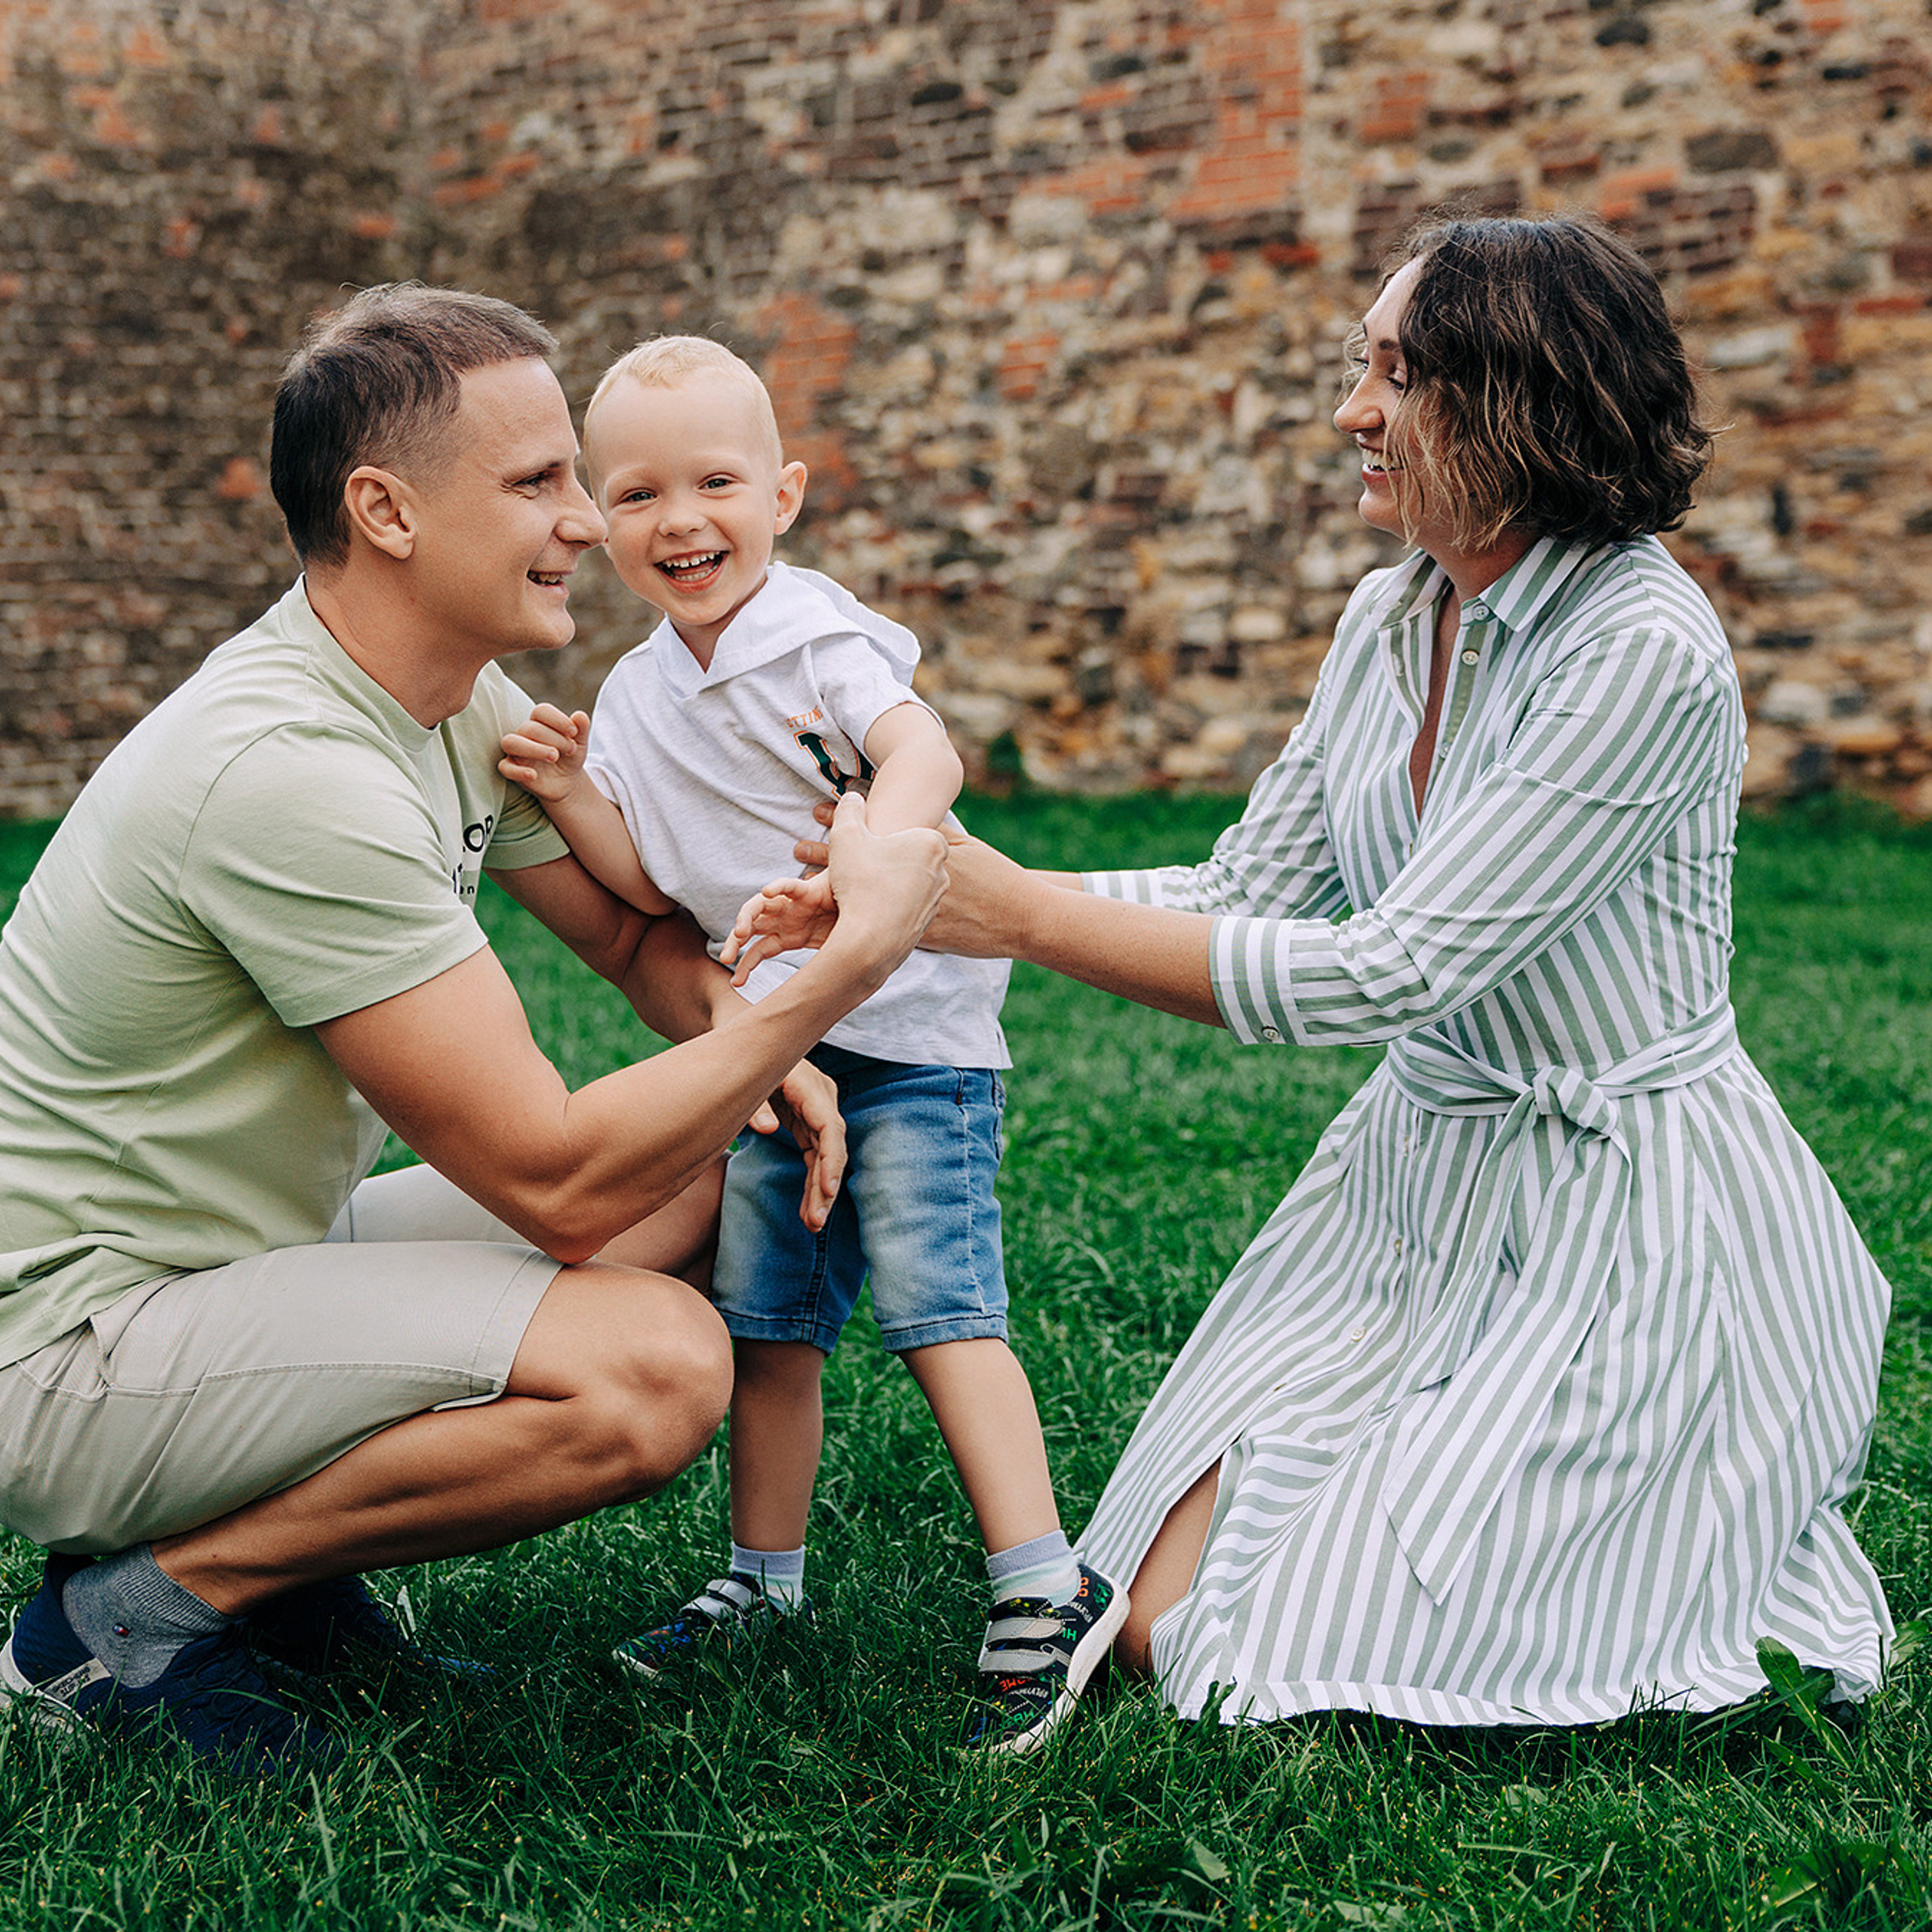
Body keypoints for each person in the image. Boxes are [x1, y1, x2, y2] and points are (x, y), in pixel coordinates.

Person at [750, 216, 1895, 1726]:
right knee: (1148, 1615)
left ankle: (1670, 1496)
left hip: (1624, 1225)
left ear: (1522, 399)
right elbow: (1243, 892)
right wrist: (931, 899)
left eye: (1396, 374)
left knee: (1243, 1651)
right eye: (1357, 368)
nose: (1351, 411)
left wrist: (1010, 909)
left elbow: (1385, 970)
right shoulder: (1389, 611)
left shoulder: (1641, 651)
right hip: (1410, 1188)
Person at [0, 285, 946, 1774]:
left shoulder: (444, 693)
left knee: (713, 1167)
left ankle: (284, 1580)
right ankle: (126, 1619)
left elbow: (630, 935)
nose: (588, 519)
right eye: (538, 482)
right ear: (383, 509)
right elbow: (553, 1176)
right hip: (77, 1350)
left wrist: (765, 1045)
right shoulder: (288, 768)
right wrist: (840, 974)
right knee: (653, 1370)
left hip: (248, 1266)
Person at [497, 335, 1125, 1754]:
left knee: (934, 1298)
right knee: (767, 1321)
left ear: (782, 495)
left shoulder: (815, 637)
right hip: (781, 1054)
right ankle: (760, 1583)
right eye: (642, 493)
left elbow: (928, 760)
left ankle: (1043, 1580)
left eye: (716, 482)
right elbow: (655, 885)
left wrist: (862, 871)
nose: (683, 521)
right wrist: (577, 791)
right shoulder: (647, 696)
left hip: (911, 1042)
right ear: (602, 519)